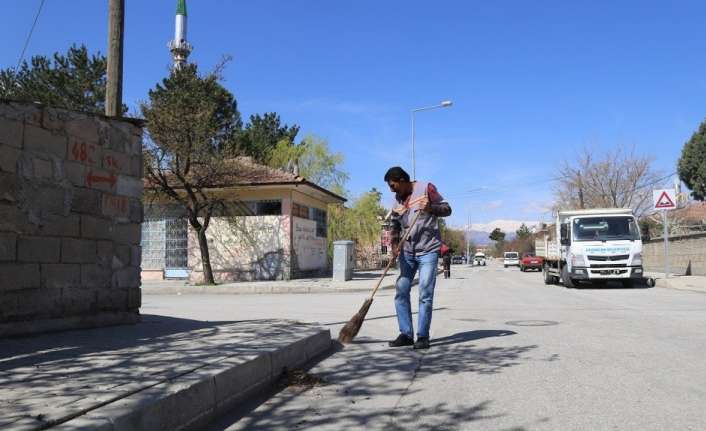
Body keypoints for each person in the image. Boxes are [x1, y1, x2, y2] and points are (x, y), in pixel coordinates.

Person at [384, 166, 452, 350]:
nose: (392, 190)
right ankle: (406, 334)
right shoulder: (397, 199)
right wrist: (395, 245)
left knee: (425, 293)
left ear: (403, 181)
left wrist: (430, 208)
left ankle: (422, 336)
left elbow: (447, 209)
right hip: (407, 252)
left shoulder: (426, 188)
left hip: (428, 250)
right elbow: (395, 224)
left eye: (394, 186)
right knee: (401, 289)